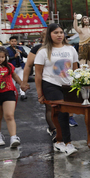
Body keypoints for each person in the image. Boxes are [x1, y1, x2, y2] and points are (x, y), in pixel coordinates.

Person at [35, 23, 79, 156]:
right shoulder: (43, 51)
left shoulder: (71, 49)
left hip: (68, 85)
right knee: (63, 112)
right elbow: (37, 74)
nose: (59, 35)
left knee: (61, 112)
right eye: (56, 32)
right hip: (50, 84)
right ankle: (68, 143)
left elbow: (75, 69)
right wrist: (39, 94)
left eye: (61, 32)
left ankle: (59, 140)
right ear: (49, 35)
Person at [21, 29, 57, 142]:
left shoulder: (61, 48)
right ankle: (54, 129)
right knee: (50, 107)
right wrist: (24, 82)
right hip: (46, 82)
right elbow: (28, 66)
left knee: (63, 108)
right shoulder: (38, 49)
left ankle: (62, 130)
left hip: (62, 82)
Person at [6, 36, 28, 101]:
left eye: (15, 41)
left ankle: (22, 94)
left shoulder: (20, 48)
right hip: (12, 67)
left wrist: (21, 52)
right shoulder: (7, 49)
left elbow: (26, 55)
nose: (14, 43)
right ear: (10, 42)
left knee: (21, 80)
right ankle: (13, 94)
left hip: (20, 66)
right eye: (12, 41)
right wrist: (14, 57)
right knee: (12, 82)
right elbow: (6, 59)